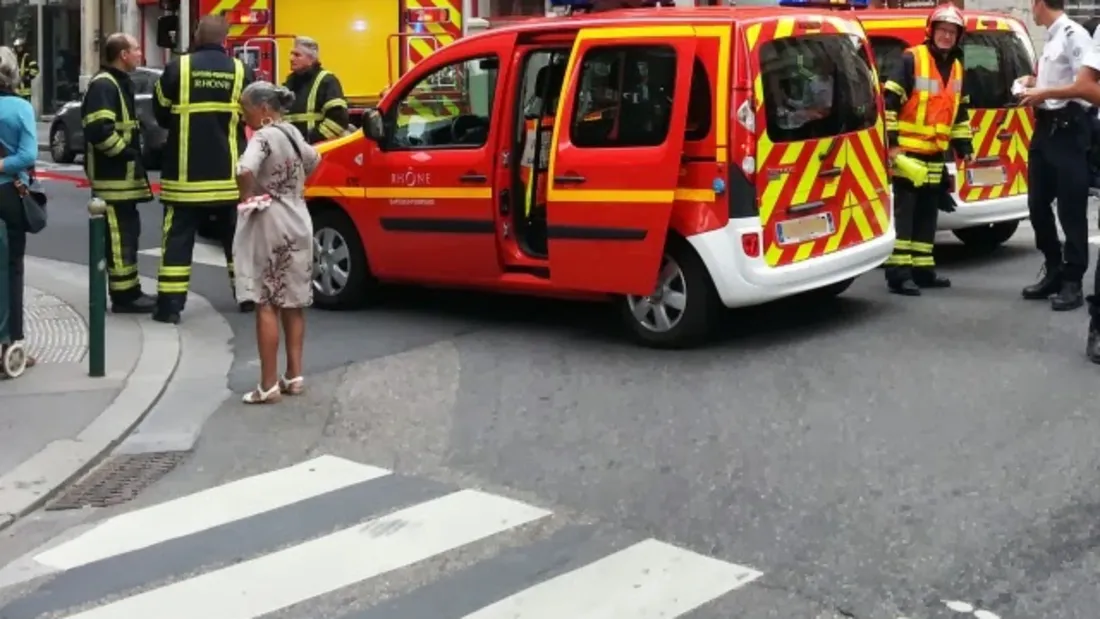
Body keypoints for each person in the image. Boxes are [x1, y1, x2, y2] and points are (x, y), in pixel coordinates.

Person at [153, 15, 254, 324]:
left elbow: (160, 113)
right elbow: (251, 117)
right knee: (236, 238)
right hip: (228, 177)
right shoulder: (241, 72)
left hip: (185, 177)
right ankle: (247, 296)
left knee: (178, 241)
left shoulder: (177, 68)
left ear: (196, 37)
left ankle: (170, 307)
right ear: (225, 40)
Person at [1019, 9, 1100, 362]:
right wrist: (1032, 84)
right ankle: (1053, 267)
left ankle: (1072, 280)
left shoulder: (1073, 34)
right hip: (1045, 126)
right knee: (1037, 205)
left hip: (1070, 128)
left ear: (1039, 3)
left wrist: (1046, 91)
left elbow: (1086, 88)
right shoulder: (1052, 38)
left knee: (1071, 209)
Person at [233, 82, 318, 404]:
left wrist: (248, 195)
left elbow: (244, 169)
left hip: (271, 221)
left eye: (247, 110)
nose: (245, 116)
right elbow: (314, 160)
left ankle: (267, 384)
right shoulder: (293, 132)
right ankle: (294, 376)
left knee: (266, 300)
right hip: (299, 217)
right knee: (293, 301)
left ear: (264, 109)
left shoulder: (265, 136)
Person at [881, 4, 974, 296]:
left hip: (935, 153)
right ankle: (899, 274)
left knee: (927, 214)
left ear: (958, 37)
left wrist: (963, 143)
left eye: (952, 32)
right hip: (908, 153)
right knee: (906, 213)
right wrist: (893, 147)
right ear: (930, 31)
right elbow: (890, 103)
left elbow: (959, 111)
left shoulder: (958, 68)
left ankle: (922, 270)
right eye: (942, 30)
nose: (946, 36)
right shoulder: (912, 59)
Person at [81, 33, 156, 313]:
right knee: (118, 237)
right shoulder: (104, 85)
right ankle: (124, 297)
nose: (140, 54)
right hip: (113, 179)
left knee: (127, 235)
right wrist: (127, 154)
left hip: (121, 179)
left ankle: (130, 290)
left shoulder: (117, 83)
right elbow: (99, 131)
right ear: (123, 54)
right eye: (136, 49)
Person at [0, 46, 38, 371]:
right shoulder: (20, 108)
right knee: (13, 266)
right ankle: (12, 341)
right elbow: (27, 155)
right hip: (9, 193)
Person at [282, 37, 349, 143]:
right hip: (294, 151)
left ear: (311, 59)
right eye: (291, 54)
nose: (291, 58)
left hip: (316, 151)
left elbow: (338, 121)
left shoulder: (327, 80)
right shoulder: (290, 81)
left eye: (297, 55)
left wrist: (311, 140)